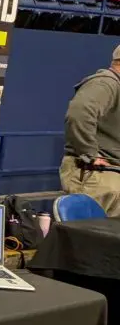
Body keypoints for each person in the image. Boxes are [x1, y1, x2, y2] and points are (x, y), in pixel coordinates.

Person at [60, 44, 120, 216]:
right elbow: (79, 113)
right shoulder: (105, 83)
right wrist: (90, 153)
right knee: (88, 231)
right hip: (98, 176)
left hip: (109, 177)